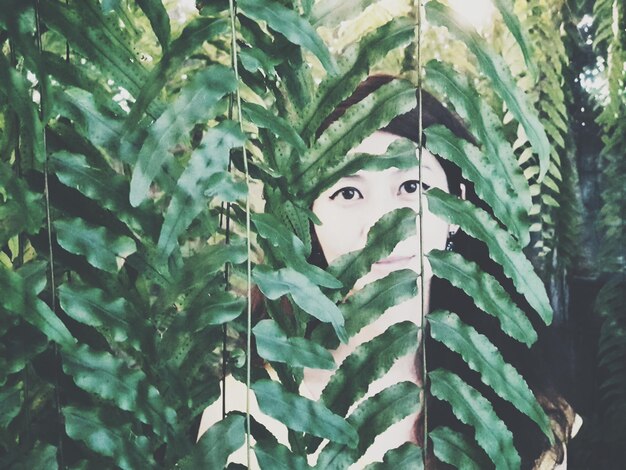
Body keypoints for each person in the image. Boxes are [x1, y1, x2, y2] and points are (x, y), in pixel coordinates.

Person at [199, 75, 579, 468]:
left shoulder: (525, 410)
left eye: (412, 186)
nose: (383, 225)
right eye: (348, 193)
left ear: (459, 211)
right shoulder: (245, 413)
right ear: (308, 222)